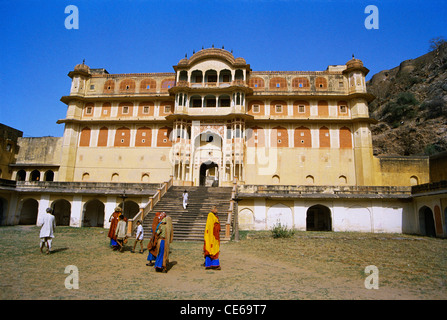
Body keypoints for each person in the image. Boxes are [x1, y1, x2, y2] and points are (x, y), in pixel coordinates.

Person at [203, 205, 221, 270]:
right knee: (212, 249)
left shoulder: (214, 216)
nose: (217, 210)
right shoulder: (210, 215)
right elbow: (210, 226)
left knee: (212, 249)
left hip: (214, 236)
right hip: (211, 236)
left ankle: (208, 264)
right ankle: (214, 265)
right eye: (216, 209)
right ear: (213, 210)